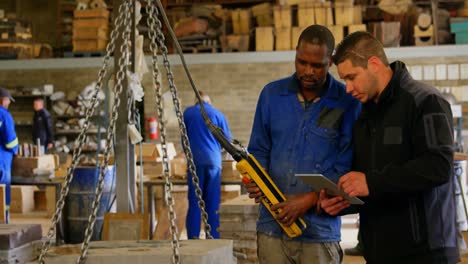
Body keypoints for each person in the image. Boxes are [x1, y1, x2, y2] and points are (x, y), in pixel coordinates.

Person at [320, 31, 460, 263]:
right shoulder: (364, 116)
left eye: (351, 77)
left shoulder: (425, 101)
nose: (347, 88)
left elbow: (438, 166)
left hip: (426, 254)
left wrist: (370, 182)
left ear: (374, 64)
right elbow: (372, 183)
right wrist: (343, 200)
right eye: (344, 80)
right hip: (380, 252)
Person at [244, 25, 361, 263]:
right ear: (296, 53)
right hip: (271, 228)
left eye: (317, 66)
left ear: (331, 62)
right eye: (301, 62)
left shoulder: (347, 102)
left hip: (319, 233)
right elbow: (258, 150)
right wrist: (254, 179)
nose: (308, 71)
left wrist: (308, 200)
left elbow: (348, 167)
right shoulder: (271, 95)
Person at [183, 91, 232, 239]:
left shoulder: (188, 113)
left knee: (195, 202)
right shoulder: (218, 114)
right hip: (214, 163)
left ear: (196, 102)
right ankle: (214, 237)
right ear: (209, 102)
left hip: (195, 162)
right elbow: (227, 141)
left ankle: (193, 238)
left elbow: (184, 139)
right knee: (212, 203)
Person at [0, 87, 19, 223]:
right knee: (2, 191)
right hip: (2, 160)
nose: (9, 103)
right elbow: (10, 140)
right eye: (8, 100)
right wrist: (16, 150)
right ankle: (3, 221)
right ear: (3, 101)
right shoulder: (4, 115)